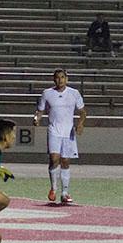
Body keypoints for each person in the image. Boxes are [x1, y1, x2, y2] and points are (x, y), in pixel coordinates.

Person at [33, 68, 86, 204]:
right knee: (54, 158)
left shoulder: (74, 93)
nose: (60, 80)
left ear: (66, 79)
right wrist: (36, 118)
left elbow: (82, 112)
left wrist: (80, 124)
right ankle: (53, 188)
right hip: (54, 130)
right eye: (57, 77)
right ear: (53, 79)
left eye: (62, 77)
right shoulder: (47, 93)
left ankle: (65, 192)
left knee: (66, 161)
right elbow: (40, 110)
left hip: (68, 132)